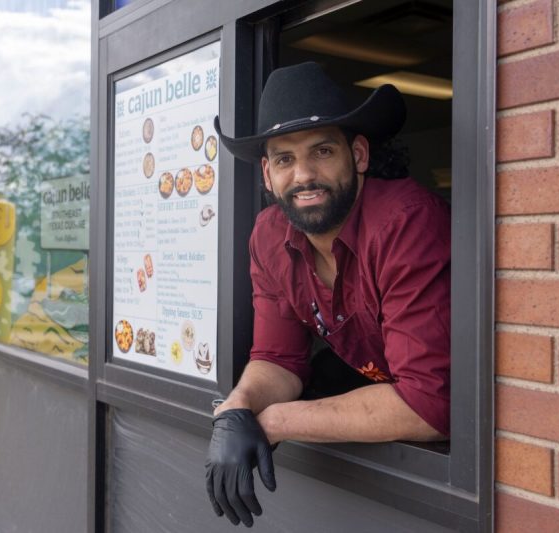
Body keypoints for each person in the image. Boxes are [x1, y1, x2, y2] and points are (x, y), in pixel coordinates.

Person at [205, 62, 450, 527]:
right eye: (284, 159)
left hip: (451, 468)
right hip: (376, 431)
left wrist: (273, 422)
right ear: (266, 173)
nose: (303, 175)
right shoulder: (268, 234)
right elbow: (278, 359)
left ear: (357, 154)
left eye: (321, 151)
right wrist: (235, 409)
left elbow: (429, 407)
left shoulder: (407, 223)